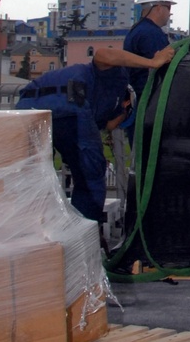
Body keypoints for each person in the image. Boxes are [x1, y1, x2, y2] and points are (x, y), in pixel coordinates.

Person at [16, 42, 173, 222]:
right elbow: (102, 54)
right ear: (126, 104)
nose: (111, 127)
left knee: (34, 177)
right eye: (121, 120)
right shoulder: (117, 80)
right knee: (91, 177)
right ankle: (84, 236)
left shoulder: (97, 106)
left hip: (26, 108)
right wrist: (152, 62)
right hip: (68, 104)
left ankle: (35, 234)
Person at [124, 0, 176, 112]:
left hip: (138, 102)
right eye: (169, 7)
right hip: (149, 105)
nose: (170, 13)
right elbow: (165, 69)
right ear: (158, 7)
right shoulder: (151, 34)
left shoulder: (137, 30)